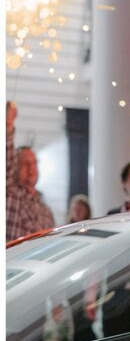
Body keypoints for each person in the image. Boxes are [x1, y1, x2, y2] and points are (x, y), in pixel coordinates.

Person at [6, 101, 56, 241]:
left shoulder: (45, 209)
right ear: (14, 168)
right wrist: (8, 126)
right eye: (25, 163)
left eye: (34, 163)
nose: (31, 168)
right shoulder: (11, 195)